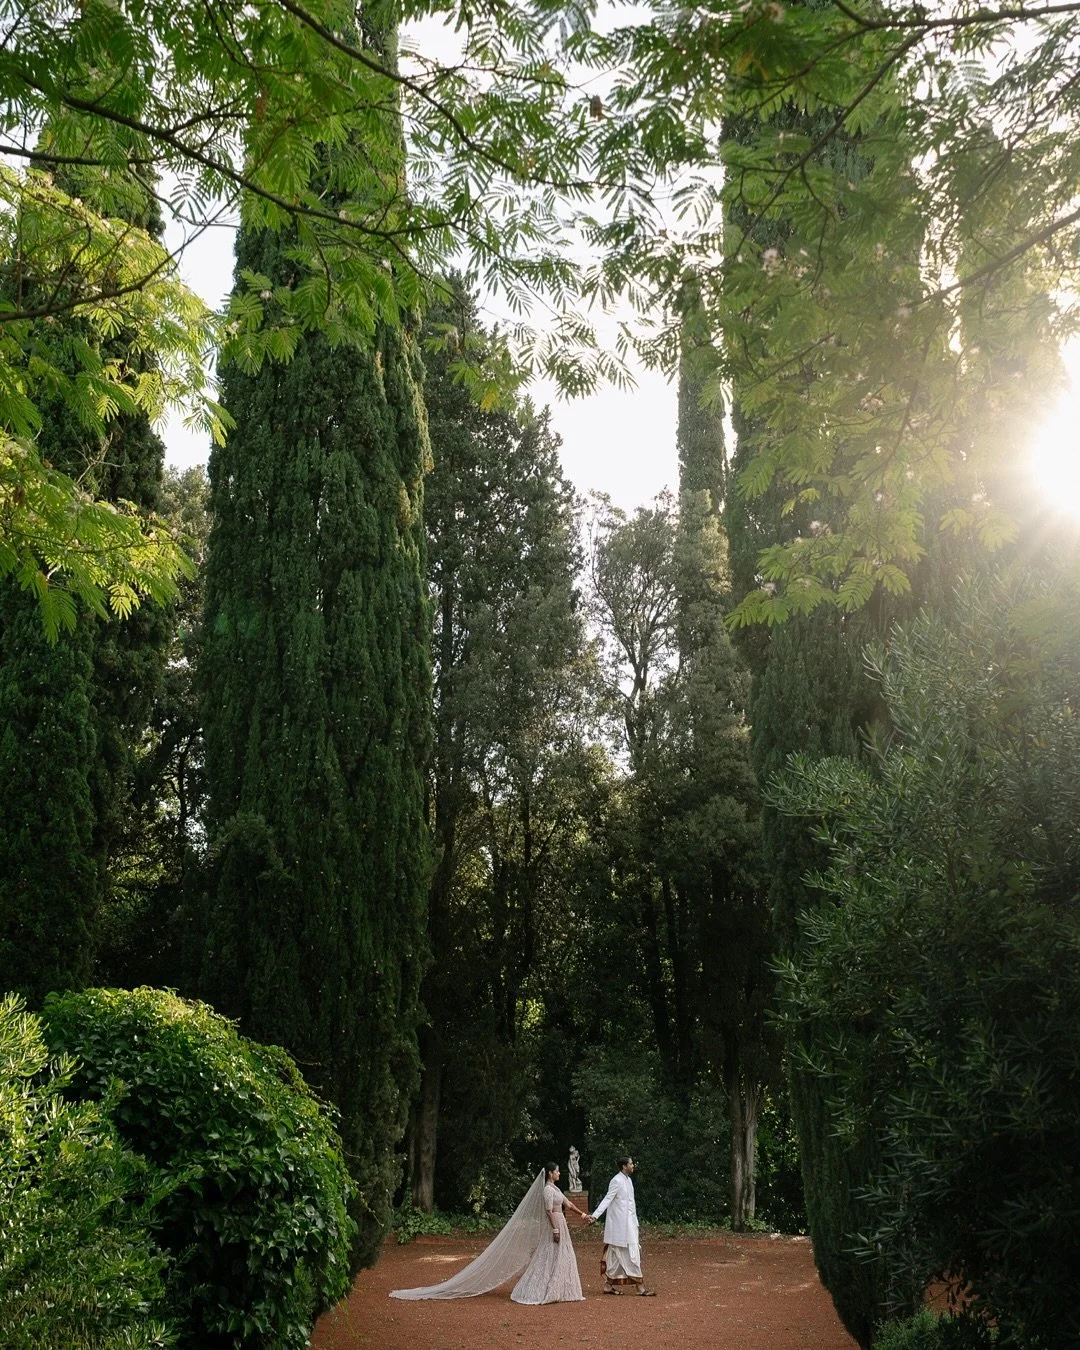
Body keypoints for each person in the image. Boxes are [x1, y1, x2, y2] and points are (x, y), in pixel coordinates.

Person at [389, 1162, 588, 1304]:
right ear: (550, 1173)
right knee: (548, 1255)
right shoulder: (546, 1190)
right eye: (557, 1171)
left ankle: (561, 1288)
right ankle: (542, 1289)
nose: (560, 1173)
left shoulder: (556, 1190)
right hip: (554, 1224)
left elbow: (567, 1204)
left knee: (562, 1255)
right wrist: (554, 1228)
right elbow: (547, 1212)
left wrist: (583, 1215)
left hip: (561, 1223)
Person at [586, 1155, 656, 1296]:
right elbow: (607, 1199)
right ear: (624, 1166)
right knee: (631, 1253)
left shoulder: (628, 1181)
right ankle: (640, 1287)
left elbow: (631, 1205)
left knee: (618, 1255)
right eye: (630, 1164)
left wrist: (635, 1223)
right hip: (620, 1226)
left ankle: (608, 1285)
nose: (633, 1165)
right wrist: (595, 1215)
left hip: (629, 1223)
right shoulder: (616, 1181)